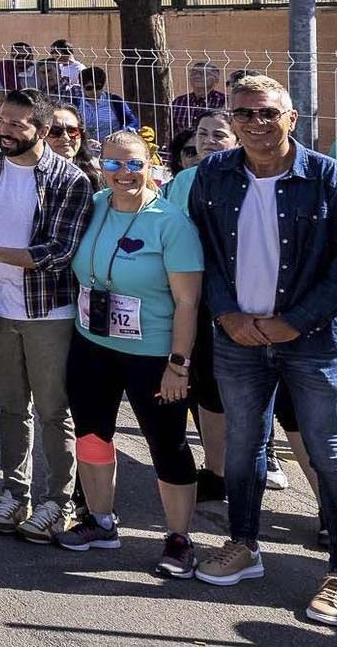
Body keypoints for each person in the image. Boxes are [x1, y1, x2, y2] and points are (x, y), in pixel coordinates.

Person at [184, 74, 337, 626]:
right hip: (237, 339)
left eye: (268, 113)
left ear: (291, 118)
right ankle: (243, 546)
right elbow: (204, 254)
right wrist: (227, 314)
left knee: (329, 454)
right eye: (244, 114)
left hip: (312, 343)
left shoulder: (330, 178)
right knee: (242, 447)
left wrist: (295, 322)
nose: (256, 124)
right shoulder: (214, 174)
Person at [52, 130, 205, 577]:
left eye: (135, 164)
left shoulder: (170, 222)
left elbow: (188, 303)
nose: (124, 174)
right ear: (102, 165)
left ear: (151, 165)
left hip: (154, 354)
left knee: (166, 444)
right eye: (114, 164)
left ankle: (179, 538)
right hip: (93, 344)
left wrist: (179, 364)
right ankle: (100, 521)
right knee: (93, 433)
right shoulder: (95, 205)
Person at [0, 88, 95, 544]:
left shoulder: (69, 180)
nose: (6, 132)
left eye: (18, 124)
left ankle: (60, 501)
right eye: (2, 122)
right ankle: (15, 493)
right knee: (11, 407)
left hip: (48, 313)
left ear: (42, 129)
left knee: (55, 410)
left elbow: (58, 253)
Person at [170, 61, 226, 140]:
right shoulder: (179, 102)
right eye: (193, 72)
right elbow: (172, 130)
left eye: (202, 73)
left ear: (215, 79)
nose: (197, 76)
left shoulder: (224, 101)